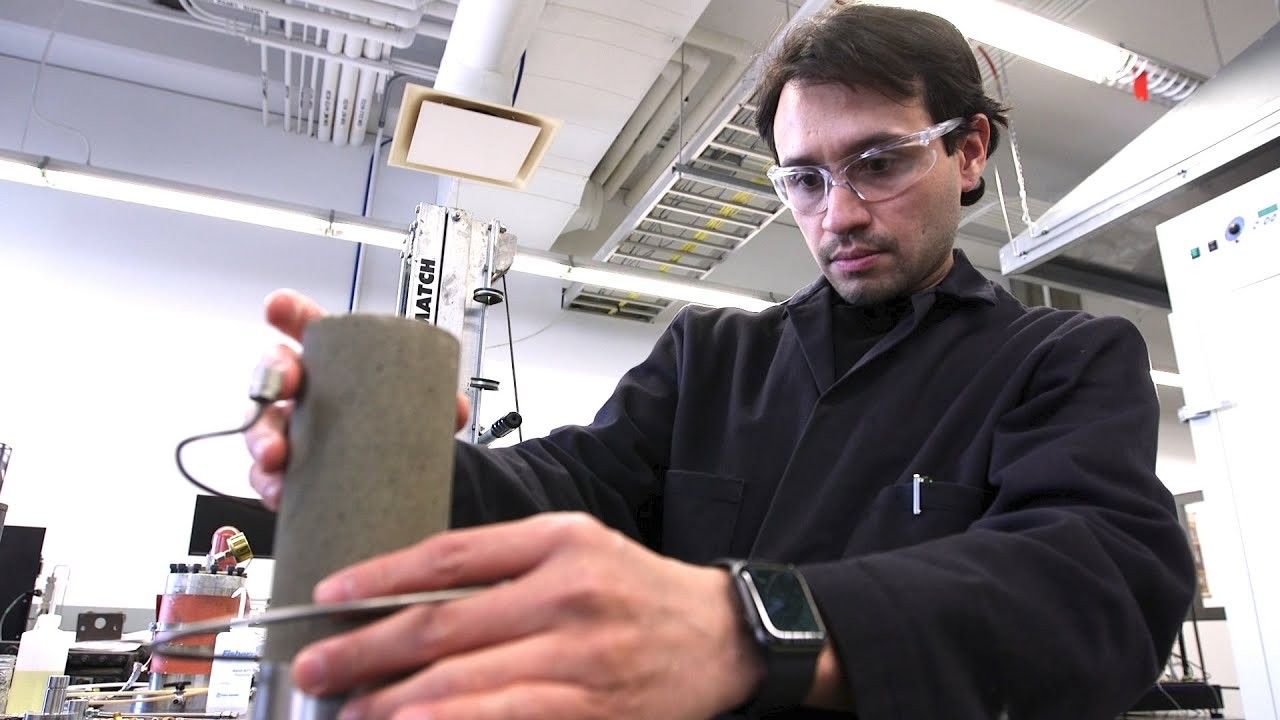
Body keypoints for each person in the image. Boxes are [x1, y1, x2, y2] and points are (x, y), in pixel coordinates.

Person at [246, 5, 1195, 719]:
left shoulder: (1061, 360)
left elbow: (1095, 584)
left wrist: (751, 623)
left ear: (970, 151)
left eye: (879, 163)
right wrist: (385, 458)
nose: (839, 213)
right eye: (805, 180)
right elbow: (571, 487)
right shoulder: (711, 355)